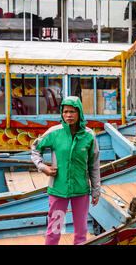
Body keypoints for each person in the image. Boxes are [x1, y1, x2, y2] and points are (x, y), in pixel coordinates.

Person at [31, 96, 100, 245]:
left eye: (72, 112)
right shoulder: (54, 133)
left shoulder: (89, 136)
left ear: (80, 113)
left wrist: (96, 190)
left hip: (81, 191)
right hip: (58, 190)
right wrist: (43, 167)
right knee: (54, 230)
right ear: (61, 113)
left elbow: (93, 165)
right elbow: (35, 149)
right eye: (65, 111)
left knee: (81, 232)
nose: (68, 115)